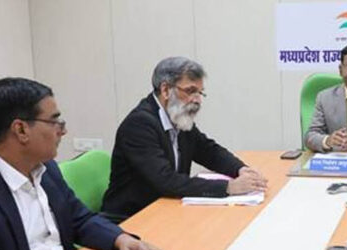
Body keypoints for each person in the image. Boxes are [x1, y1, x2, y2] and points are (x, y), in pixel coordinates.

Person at [0, 77, 171, 250]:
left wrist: (120, 239)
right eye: (54, 122)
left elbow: (79, 219)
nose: (63, 131)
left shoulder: (46, 168)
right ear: (21, 130)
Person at [102, 56, 268, 219]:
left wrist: (240, 169)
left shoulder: (177, 116)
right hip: (131, 218)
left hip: (166, 208)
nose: (197, 100)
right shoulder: (139, 125)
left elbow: (208, 150)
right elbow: (166, 180)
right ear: (166, 90)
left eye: (200, 92)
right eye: (190, 91)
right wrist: (229, 187)